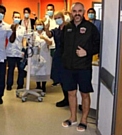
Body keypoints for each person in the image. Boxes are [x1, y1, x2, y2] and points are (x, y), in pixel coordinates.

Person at [61, 2, 100, 132]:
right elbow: (62, 46)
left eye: (79, 11)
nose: (77, 14)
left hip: (83, 67)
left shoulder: (90, 28)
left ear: (83, 12)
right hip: (69, 67)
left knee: (84, 93)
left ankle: (84, 120)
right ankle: (72, 118)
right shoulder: (67, 28)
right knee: (71, 93)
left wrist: (87, 52)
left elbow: (98, 45)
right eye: (74, 11)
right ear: (71, 13)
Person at [45, 11, 69, 107]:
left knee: (67, 77)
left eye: (59, 17)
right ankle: (66, 98)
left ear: (63, 17)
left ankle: (70, 98)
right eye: (56, 18)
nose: (57, 19)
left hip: (67, 56)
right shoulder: (57, 30)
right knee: (60, 77)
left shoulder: (69, 28)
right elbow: (50, 34)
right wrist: (46, 29)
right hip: (58, 55)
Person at [6, 11, 26, 90]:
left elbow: (24, 40)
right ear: (12, 18)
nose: (17, 19)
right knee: (10, 69)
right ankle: (9, 84)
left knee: (21, 69)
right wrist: (13, 30)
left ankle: (20, 85)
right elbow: (9, 40)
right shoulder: (8, 28)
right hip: (10, 51)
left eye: (18, 17)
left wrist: (24, 49)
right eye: (15, 17)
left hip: (19, 51)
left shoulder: (22, 28)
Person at [32, 19, 52, 95]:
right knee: (37, 69)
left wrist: (44, 38)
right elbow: (30, 43)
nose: (39, 26)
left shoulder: (46, 33)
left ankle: (43, 86)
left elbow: (50, 42)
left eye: (40, 24)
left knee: (44, 70)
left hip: (45, 53)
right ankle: (38, 85)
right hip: (36, 54)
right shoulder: (33, 34)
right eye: (37, 24)